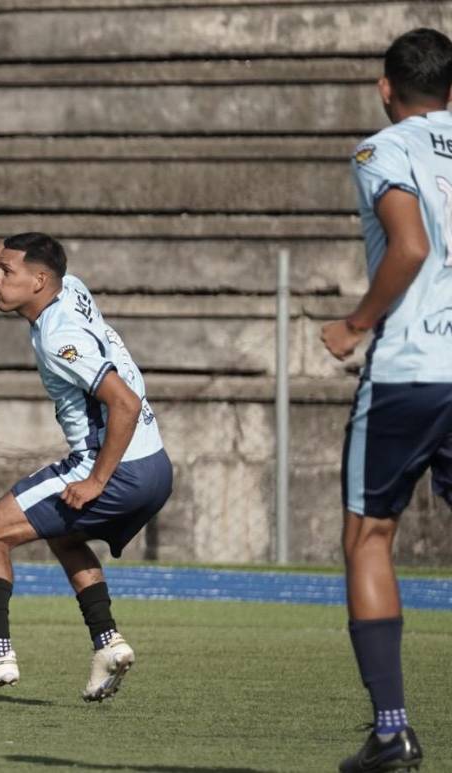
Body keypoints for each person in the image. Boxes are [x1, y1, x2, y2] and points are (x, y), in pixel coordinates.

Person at [0, 205, 172, 703]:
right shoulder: (67, 286)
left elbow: (124, 402)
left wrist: (96, 480)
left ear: (37, 281)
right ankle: (108, 643)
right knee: (66, 534)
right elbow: (17, 258)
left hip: (117, 467)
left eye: (5, 274)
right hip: (156, 465)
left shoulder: (60, 336)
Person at [318, 27, 452, 773]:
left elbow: (410, 246)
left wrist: (354, 323)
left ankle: (393, 729)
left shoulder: (383, 148)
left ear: (385, 87)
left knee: (369, 536)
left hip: (412, 366)